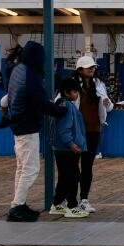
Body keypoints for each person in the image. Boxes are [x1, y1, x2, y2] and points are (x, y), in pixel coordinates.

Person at [5, 41, 66, 222]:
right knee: (31, 169)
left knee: (22, 168)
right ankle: (16, 207)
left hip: (18, 127)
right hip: (27, 127)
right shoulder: (30, 75)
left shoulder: (18, 70)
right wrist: (60, 111)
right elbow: (40, 102)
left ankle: (18, 204)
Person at [73, 55, 113, 212]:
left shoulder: (99, 84)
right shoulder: (73, 85)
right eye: (88, 67)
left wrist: (108, 103)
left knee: (87, 166)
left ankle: (84, 198)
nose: (92, 69)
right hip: (76, 130)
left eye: (93, 67)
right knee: (73, 167)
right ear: (80, 69)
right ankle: (69, 199)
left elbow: (109, 106)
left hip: (93, 129)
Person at [49, 78, 89, 219]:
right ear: (66, 92)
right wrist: (71, 144)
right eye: (74, 91)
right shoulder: (67, 107)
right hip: (68, 149)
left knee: (64, 177)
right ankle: (72, 206)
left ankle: (57, 203)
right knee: (73, 177)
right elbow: (64, 129)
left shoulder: (61, 105)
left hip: (61, 148)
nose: (76, 94)